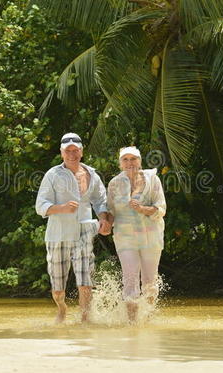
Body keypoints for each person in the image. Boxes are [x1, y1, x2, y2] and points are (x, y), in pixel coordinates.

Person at [35, 132, 111, 323]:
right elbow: (40, 205)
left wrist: (103, 218)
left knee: (85, 282)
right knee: (58, 289)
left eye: (75, 150)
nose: (71, 154)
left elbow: (101, 201)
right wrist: (62, 207)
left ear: (81, 151)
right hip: (58, 235)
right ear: (62, 153)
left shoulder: (92, 174)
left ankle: (85, 320)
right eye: (67, 151)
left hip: (85, 231)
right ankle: (62, 308)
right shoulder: (52, 175)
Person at [106, 146, 166, 322]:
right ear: (120, 163)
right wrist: (106, 224)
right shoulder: (114, 184)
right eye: (125, 159)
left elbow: (161, 208)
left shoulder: (153, 180)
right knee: (130, 278)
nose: (130, 163)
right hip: (125, 238)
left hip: (151, 237)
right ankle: (132, 324)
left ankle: (147, 320)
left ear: (140, 161)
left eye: (133, 159)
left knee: (149, 280)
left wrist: (142, 209)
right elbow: (110, 211)